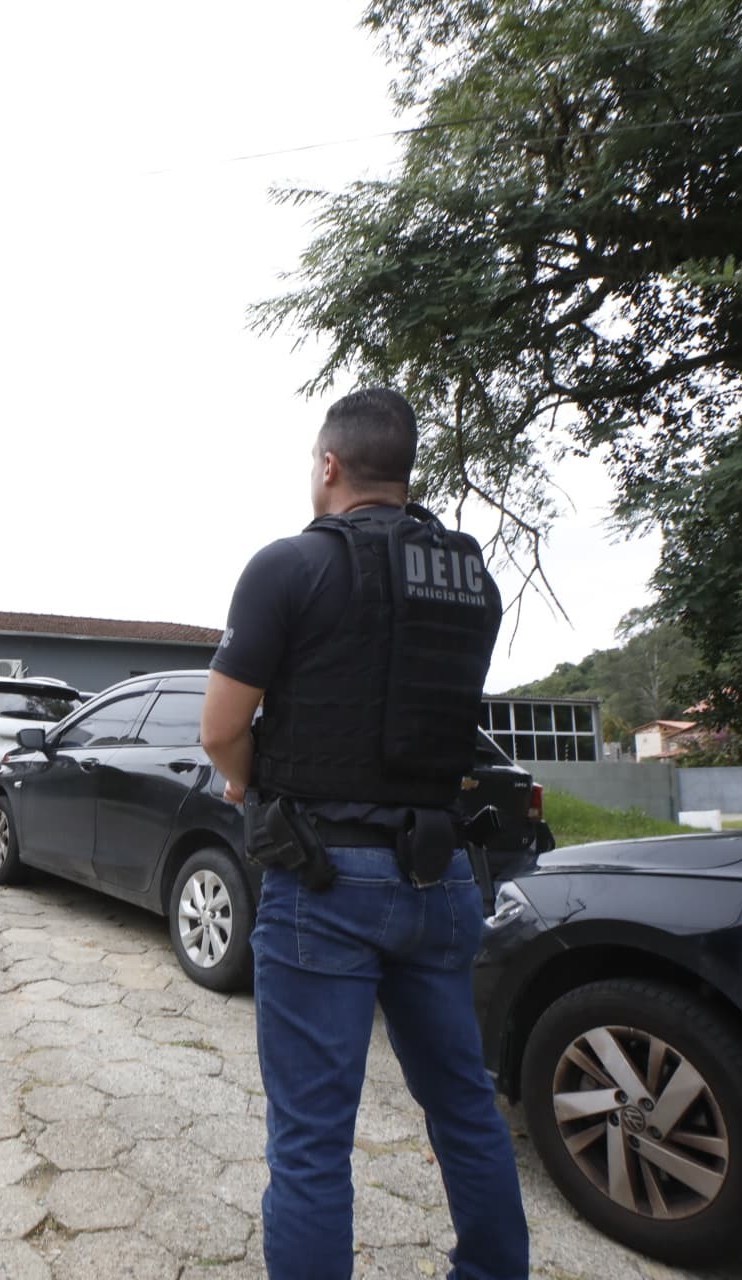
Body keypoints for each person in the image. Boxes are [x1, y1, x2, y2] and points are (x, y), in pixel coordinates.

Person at [201, 388, 529, 1280]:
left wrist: (249, 778)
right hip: (441, 877)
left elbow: (220, 728)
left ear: (330, 464)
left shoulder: (289, 565)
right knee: (464, 1106)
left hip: (324, 884)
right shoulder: (472, 580)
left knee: (312, 1139)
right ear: (404, 471)